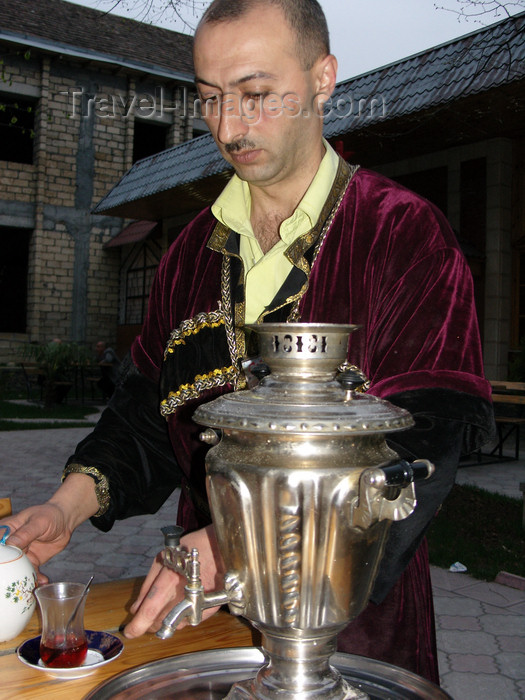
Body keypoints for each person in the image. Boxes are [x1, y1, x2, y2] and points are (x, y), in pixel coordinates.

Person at [2, 0, 493, 684]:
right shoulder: (189, 257)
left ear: (323, 78)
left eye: (257, 95)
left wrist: (238, 550)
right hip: (205, 624)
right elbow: (150, 414)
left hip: (351, 636)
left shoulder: (400, 235)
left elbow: (425, 445)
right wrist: (70, 503)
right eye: (210, 98)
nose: (229, 126)